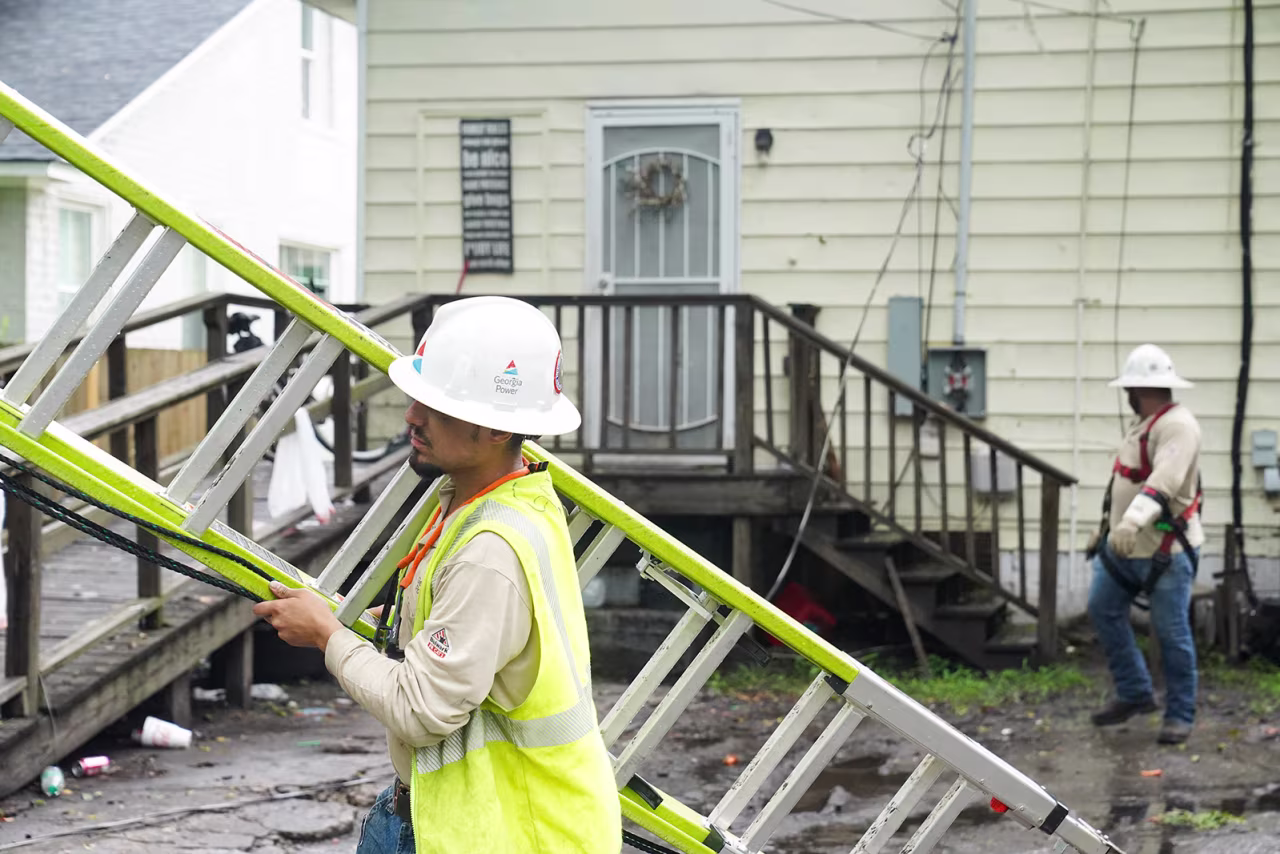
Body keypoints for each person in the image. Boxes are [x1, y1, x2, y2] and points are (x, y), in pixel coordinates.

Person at [253, 296, 622, 853]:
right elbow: (464, 624)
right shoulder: (498, 498)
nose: (412, 418)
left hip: (503, 835)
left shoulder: (489, 550)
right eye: (417, 398)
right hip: (452, 816)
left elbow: (423, 711)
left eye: (440, 407)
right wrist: (363, 620)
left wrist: (327, 635)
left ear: (499, 428)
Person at [1087, 344, 1203, 746]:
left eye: (1129, 390)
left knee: (1171, 634)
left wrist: (1133, 520)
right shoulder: (1144, 424)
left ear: (1137, 389)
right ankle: (1135, 693)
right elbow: (1126, 478)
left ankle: (1180, 716)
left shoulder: (1178, 427)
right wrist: (1105, 527)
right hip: (1122, 548)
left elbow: (1163, 481)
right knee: (1102, 609)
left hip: (1163, 552)